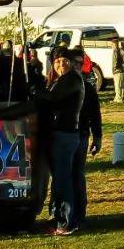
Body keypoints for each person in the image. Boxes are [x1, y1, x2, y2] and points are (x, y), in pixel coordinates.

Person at [36, 46, 84, 235]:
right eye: (57, 62)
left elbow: (52, 99)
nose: (61, 64)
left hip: (65, 133)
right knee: (60, 179)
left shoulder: (71, 79)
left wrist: (35, 90)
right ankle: (58, 218)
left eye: (65, 61)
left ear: (71, 63)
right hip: (62, 132)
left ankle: (65, 222)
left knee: (63, 179)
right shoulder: (61, 80)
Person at [69, 46, 102, 229]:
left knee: (77, 175)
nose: (77, 66)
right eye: (74, 62)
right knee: (65, 176)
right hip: (63, 135)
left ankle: (79, 214)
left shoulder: (87, 87)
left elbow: (95, 114)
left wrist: (97, 137)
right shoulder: (58, 83)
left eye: (80, 63)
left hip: (81, 134)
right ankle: (67, 213)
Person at [111, 35, 124, 102]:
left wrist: (114, 69)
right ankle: (118, 97)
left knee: (117, 85)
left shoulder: (115, 51)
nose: (111, 45)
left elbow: (115, 61)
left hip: (118, 70)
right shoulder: (122, 50)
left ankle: (118, 99)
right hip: (123, 70)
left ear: (114, 44)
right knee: (121, 85)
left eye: (112, 44)